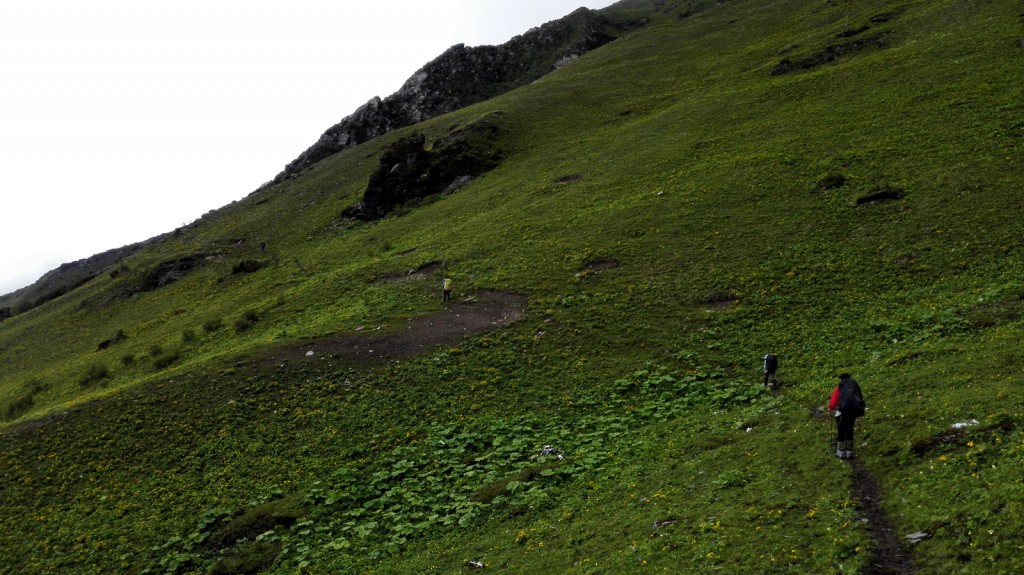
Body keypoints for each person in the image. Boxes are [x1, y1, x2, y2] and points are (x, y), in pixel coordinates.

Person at [829, 373, 866, 459]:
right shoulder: (854, 387)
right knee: (849, 430)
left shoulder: (840, 388)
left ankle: (841, 452)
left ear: (841, 379)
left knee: (841, 430)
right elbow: (860, 397)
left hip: (842, 412)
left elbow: (833, 401)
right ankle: (849, 452)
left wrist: (831, 408)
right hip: (853, 412)